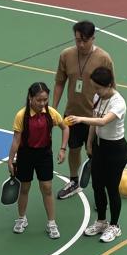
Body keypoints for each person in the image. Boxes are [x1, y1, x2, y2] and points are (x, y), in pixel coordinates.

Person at [51, 20, 114, 199]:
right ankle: (74, 182)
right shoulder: (66, 55)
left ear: (93, 38)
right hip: (72, 113)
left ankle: (101, 190)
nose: (80, 44)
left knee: (96, 153)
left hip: (95, 117)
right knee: (74, 149)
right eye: (77, 40)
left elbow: (111, 88)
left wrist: (109, 113)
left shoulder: (104, 58)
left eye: (84, 41)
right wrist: (53, 110)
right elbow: (59, 83)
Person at [64, 67, 127, 243]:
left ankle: (114, 226)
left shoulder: (118, 103)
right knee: (97, 185)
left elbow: (103, 121)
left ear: (109, 85)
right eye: (94, 87)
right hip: (100, 147)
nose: (96, 91)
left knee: (111, 188)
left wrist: (81, 119)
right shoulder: (97, 97)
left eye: (98, 88)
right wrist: (90, 142)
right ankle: (101, 221)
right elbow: (95, 123)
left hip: (116, 150)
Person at [7, 81, 69, 239]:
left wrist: (63, 149)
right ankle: (22, 218)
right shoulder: (21, 116)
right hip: (25, 155)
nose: (42, 103)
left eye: (45, 100)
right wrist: (10, 160)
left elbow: (65, 128)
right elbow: (16, 140)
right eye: (39, 100)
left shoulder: (51, 113)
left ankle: (51, 223)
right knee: (24, 188)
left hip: (44, 155)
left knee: (47, 188)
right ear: (30, 97)